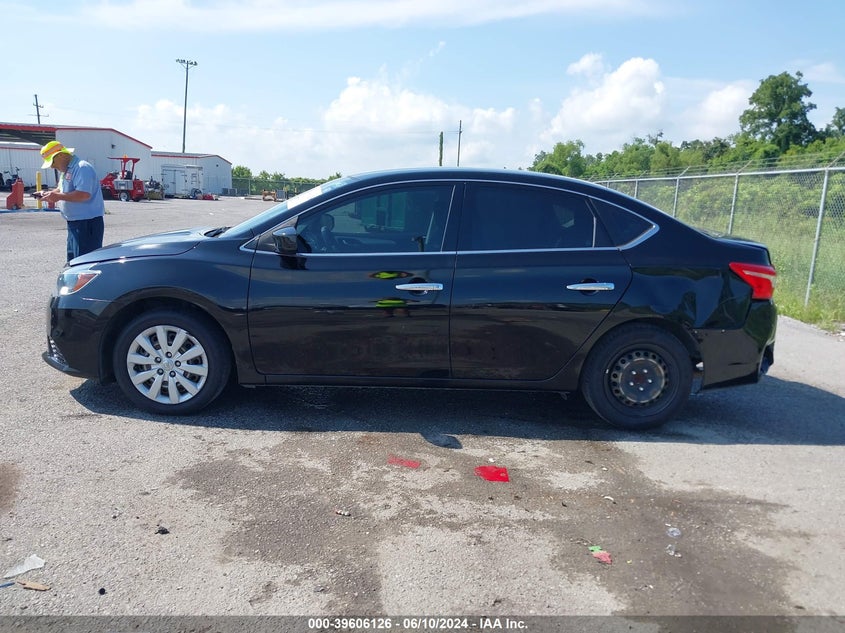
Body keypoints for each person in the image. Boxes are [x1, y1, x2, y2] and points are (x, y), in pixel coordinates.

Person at [39, 141, 106, 264]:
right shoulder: (67, 170)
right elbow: (61, 189)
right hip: (76, 223)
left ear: (62, 156)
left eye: (52, 162)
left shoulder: (82, 168)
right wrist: (49, 194)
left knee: (85, 264)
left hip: (87, 224)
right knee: (74, 262)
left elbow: (84, 194)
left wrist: (57, 196)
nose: (52, 166)